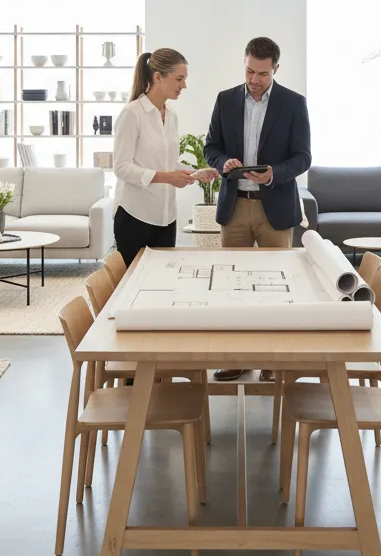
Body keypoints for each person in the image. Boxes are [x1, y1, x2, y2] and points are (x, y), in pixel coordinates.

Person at [204, 36, 312, 381]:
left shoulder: (294, 104)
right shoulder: (225, 100)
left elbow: (303, 157)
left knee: (276, 290)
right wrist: (223, 162)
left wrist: (273, 174)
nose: (254, 79)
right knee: (232, 289)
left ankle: (272, 363)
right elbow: (211, 147)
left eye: (262, 74)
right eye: (250, 71)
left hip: (275, 208)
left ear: (275, 69)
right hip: (234, 207)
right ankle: (237, 358)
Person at [112, 48, 218, 269]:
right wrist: (168, 177)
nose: (184, 85)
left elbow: (167, 163)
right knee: (133, 289)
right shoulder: (132, 114)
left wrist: (194, 173)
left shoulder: (171, 116)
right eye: (179, 79)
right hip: (135, 216)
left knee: (163, 282)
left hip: (166, 217)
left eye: (185, 79)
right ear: (158, 77)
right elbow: (122, 168)